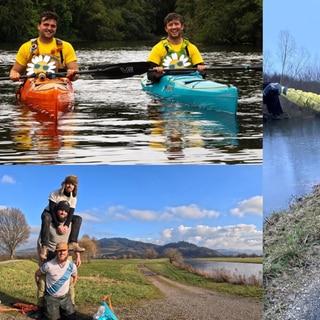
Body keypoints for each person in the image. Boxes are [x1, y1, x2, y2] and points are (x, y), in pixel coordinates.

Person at [33, 200, 82, 319]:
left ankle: (70, 306)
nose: (63, 212)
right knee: (43, 283)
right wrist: (41, 257)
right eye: (61, 210)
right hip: (50, 254)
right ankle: (40, 308)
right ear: (56, 210)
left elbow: (72, 242)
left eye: (66, 211)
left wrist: (78, 255)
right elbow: (40, 242)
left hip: (64, 253)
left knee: (69, 283)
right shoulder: (49, 222)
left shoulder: (69, 224)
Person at [9, 11, 79, 82]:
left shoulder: (66, 46)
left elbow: (76, 74)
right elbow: (14, 71)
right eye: (46, 25)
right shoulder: (26, 47)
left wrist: (72, 73)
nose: (49, 28)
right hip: (33, 86)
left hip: (59, 87)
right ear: (39, 26)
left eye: (53, 26)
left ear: (56, 28)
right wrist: (15, 75)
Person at [147, 12, 206, 81]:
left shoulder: (191, 48)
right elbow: (150, 74)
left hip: (188, 81)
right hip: (166, 83)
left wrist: (202, 71)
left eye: (176, 24)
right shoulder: (158, 48)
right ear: (166, 28)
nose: (174, 27)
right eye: (170, 25)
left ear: (182, 26)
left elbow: (203, 74)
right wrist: (156, 75)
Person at [39, 175, 85, 260]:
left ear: (75, 187)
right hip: (50, 213)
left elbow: (71, 213)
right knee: (46, 217)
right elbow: (52, 210)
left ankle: (73, 242)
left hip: (63, 216)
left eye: (72, 184)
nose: (70, 186)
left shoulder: (73, 198)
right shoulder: (55, 193)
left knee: (78, 219)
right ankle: (44, 247)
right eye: (68, 183)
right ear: (64, 184)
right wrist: (58, 226)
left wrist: (66, 225)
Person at [35, 242, 78, 320]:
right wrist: (38, 284)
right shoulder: (48, 265)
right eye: (59, 251)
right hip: (51, 297)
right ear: (56, 252)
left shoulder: (72, 266)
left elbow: (75, 276)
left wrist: (72, 285)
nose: (62, 253)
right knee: (53, 318)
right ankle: (45, 307)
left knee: (71, 317)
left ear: (68, 252)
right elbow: (37, 274)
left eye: (64, 250)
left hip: (65, 297)